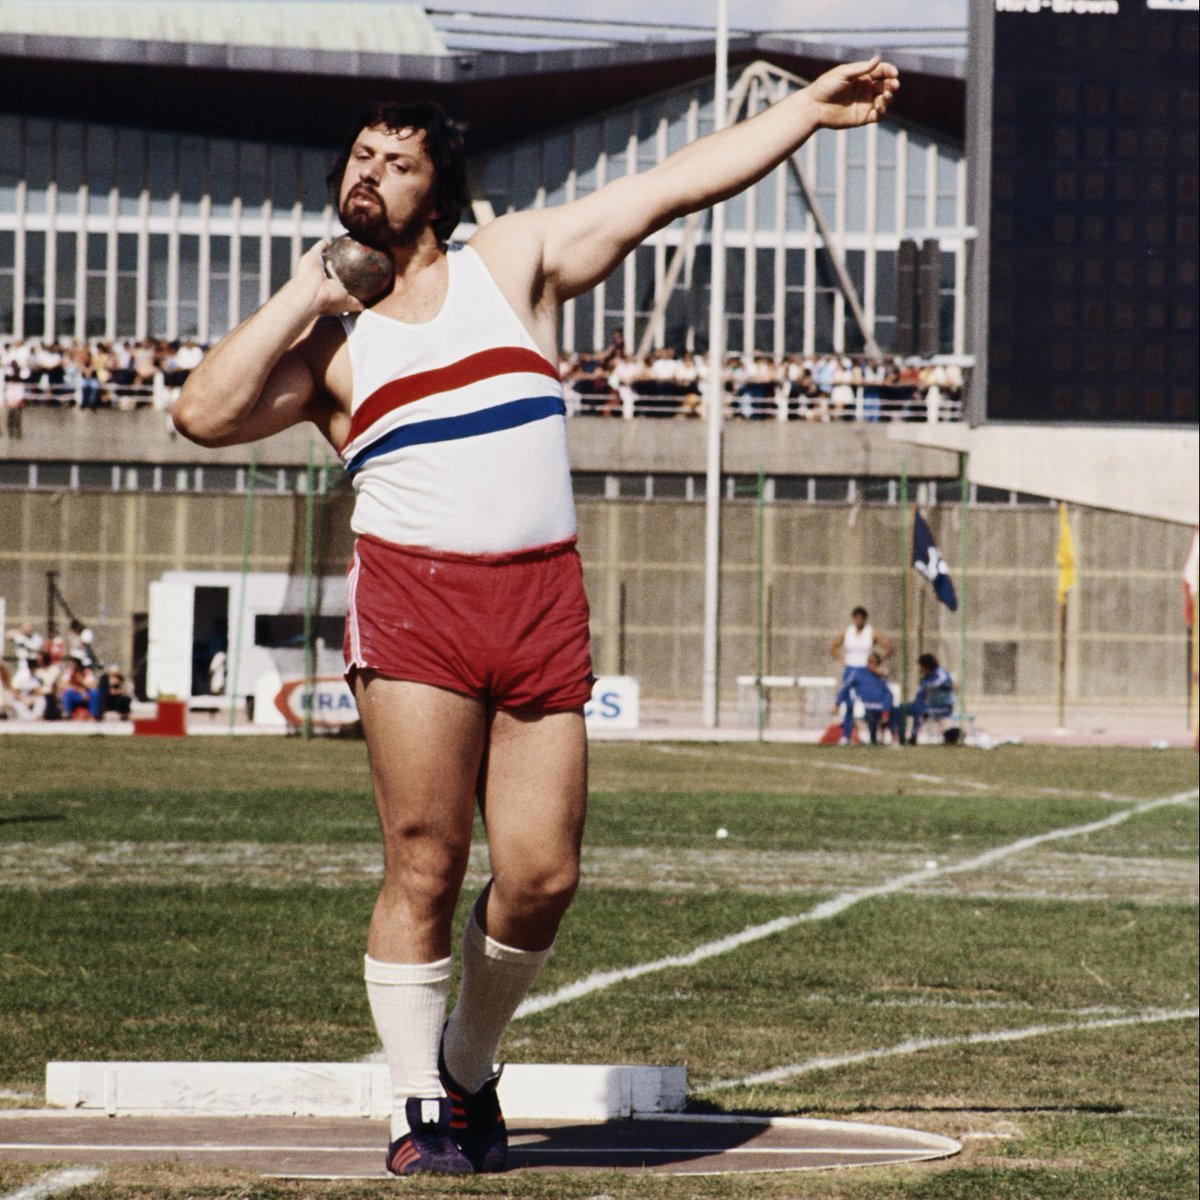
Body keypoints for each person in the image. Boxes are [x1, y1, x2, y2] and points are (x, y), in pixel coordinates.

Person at [171, 56, 900, 1178]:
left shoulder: (511, 264)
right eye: (361, 157)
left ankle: (467, 1065)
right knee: (425, 858)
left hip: (538, 598)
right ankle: (420, 1108)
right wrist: (308, 288)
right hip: (414, 602)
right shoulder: (329, 347)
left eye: (399, 162)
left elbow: (668, 188)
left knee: (542, 874)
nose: (373, 172)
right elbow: (200, 414)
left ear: (441, 192)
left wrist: (802, 111)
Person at [832, 650, 896, 745]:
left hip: (880, 706)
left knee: (894, 712)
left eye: (874, 663)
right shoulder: (858, 674)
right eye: (869, 662)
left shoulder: (881, 677)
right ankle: (871, 738)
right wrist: (837, 703)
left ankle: (894, 738)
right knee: (870, 715)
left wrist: (886, 708)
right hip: (866, 705)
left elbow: (888, 694)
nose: (871, 665)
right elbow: (845, 688)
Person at [830, 606, 893, 693]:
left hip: (865, 668)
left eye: (861, 617)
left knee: (866, 694)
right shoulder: (847, 631)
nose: (859, 620)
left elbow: (888, 647)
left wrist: (877, 661)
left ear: (865, 618)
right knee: (847, 697)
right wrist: (841, 659)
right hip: (850, 667)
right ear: (853, 618)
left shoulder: (871, 632)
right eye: (856, 617)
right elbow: (833, 647)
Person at [898, 652, 955, 745]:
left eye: (921, 666)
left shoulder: (940, 672)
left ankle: (913, 738)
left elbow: (946, 681)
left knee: (919, 711)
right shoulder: (925, 679)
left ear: (926, 666)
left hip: (941, 707)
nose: (919, 669)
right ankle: (901, 738)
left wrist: (931, 687)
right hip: (921, 705)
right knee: (901, 708)